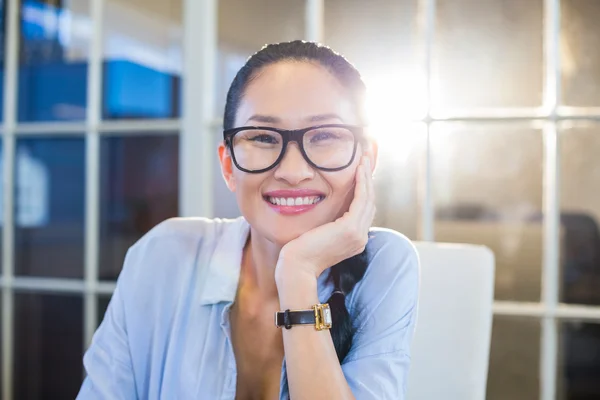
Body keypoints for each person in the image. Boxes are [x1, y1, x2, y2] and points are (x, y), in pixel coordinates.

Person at [77, 40, 419, 400]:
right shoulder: (163, 255)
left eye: (324, 136)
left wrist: (298, 274)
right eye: (263, 137)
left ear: (367, 160)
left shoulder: (385, 263)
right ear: (228, 166)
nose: (293, 171)